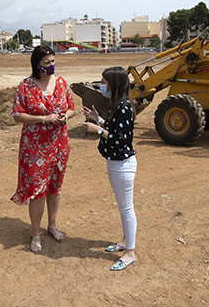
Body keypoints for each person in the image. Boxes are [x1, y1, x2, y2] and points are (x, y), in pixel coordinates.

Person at [11, 45, 75, 254]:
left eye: (53, 61)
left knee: (55, 188)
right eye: (47, 63)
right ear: (37, 65)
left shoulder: (62, 83)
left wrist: (65, 117)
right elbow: (17, 115)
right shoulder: (26, 86)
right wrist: (43, 118)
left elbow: (71, 108)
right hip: (35, 147)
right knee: (37, 191)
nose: (51, 66)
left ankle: (52, 225)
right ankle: (36, 233)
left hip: (59, 144)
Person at [80, 67, 137, 271]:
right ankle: (124, 241)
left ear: (114, 84)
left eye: (104, 82)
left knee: (126, 209)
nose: (101, 85)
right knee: (123, 208)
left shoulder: (123, 107)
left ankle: (129, 252)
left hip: (122, 165)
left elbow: (120, 140)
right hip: (116, 163)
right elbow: (116, 129)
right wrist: (99, 119)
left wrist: (98, 130)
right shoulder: (119, 105)